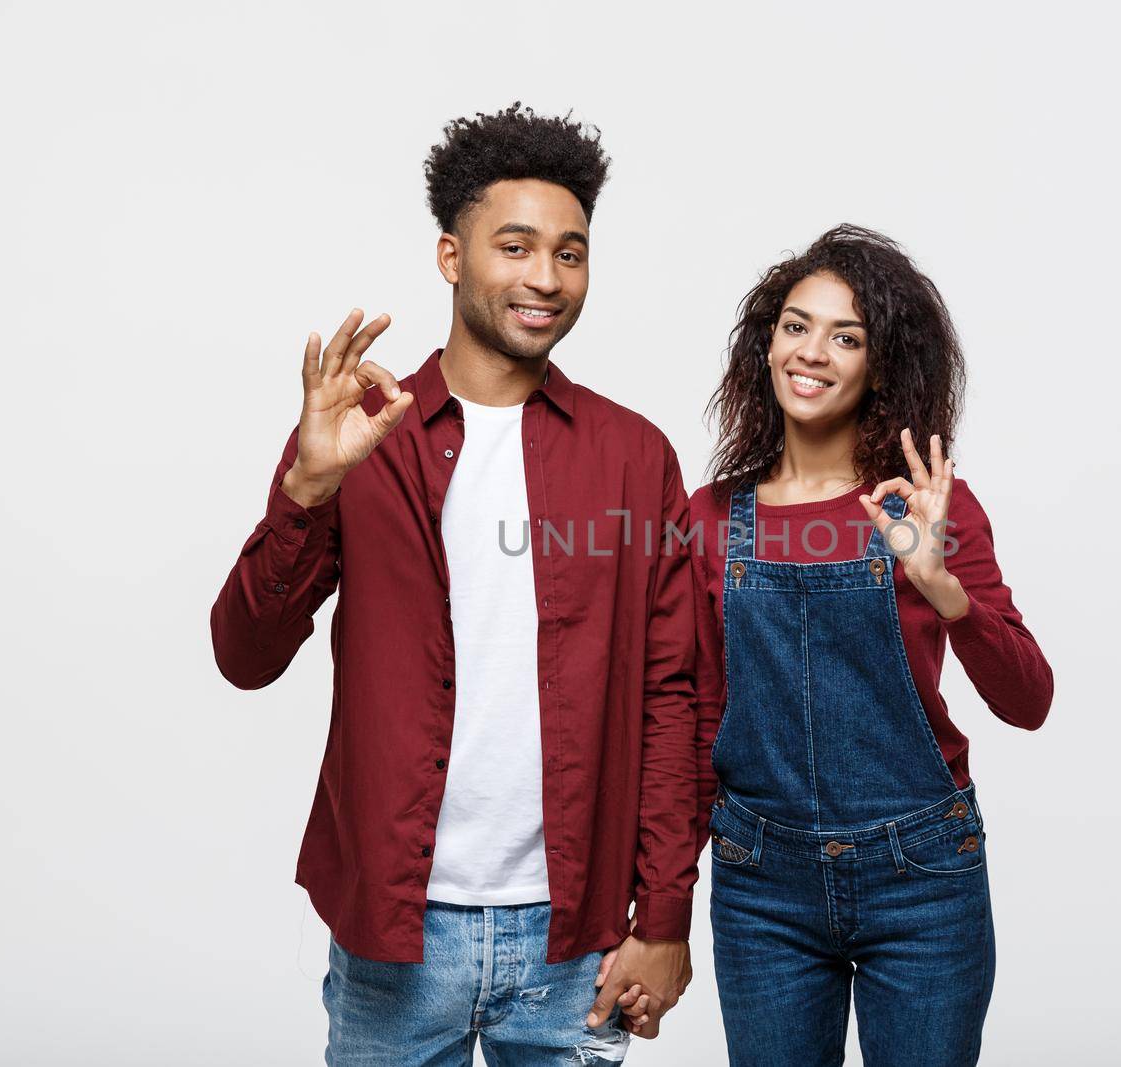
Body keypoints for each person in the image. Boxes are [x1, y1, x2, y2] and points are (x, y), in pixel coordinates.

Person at [210, 103, 696, 1064]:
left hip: (576, 937)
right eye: (514, 246)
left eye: (570, 252)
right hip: (397, 928)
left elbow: (672, 694)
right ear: (450, 257)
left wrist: (667, 913)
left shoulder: (634, 457)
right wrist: (307, 488)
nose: (544, 278)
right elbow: (244, 654)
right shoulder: (362, 437)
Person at [688, 224, 1055, 1065]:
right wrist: (659, 904)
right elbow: (695, 715)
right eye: (795, 325)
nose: (811, 352)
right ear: (766, 343)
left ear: (880, 365)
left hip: (921, 875)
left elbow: (1029, 699)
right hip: (761, 884)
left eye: (845, 336)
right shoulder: (710, 518)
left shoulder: (928, 509)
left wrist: (940, 582)